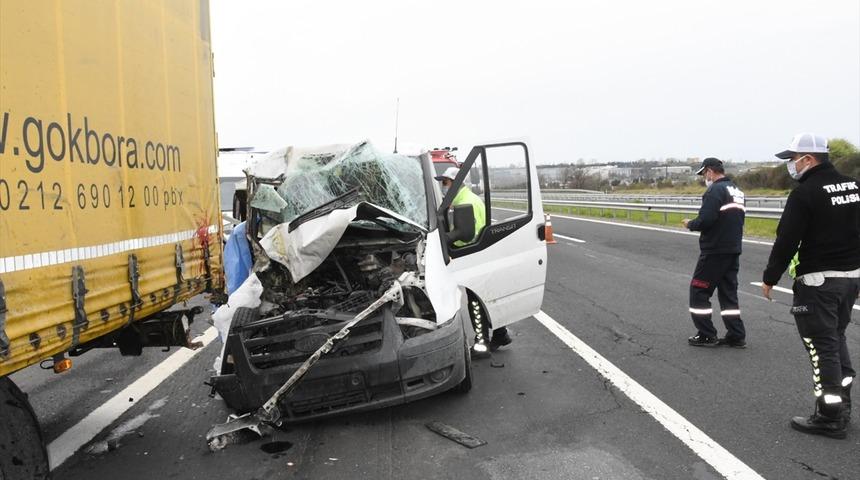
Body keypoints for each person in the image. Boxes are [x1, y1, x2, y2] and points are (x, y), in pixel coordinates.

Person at [761, 133, 860, 439]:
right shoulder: (853, 186)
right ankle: (842, 405)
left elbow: (787, 240)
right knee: (835, 339)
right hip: (850, 278)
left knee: (822, 347)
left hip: (819, 281)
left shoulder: (806, 193)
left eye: (792, 159)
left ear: (808, 159)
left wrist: (770, 277)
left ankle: (829, 415)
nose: (791, 165)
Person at [434, 166, 511, 355]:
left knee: (475, 301)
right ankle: (501, 334)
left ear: (456, 182)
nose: (443, 186)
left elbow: (468, 234)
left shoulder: (466, 202)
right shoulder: (460, 201)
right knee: (485, 298)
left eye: (445, 182)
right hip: (478, 254)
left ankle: (482, 344)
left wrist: (446, 240)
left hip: (474, 256)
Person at [681, 157, 747, 348]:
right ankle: (736, 335)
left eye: (703, 174)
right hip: (733, 248)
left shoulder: (715, 190)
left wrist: (690, 224)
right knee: (728, 293)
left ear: (710, 171)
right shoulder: (737, 191)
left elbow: (706, 220)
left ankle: (706, 334)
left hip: (715, 250)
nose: (704, 178)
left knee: (699, 290)